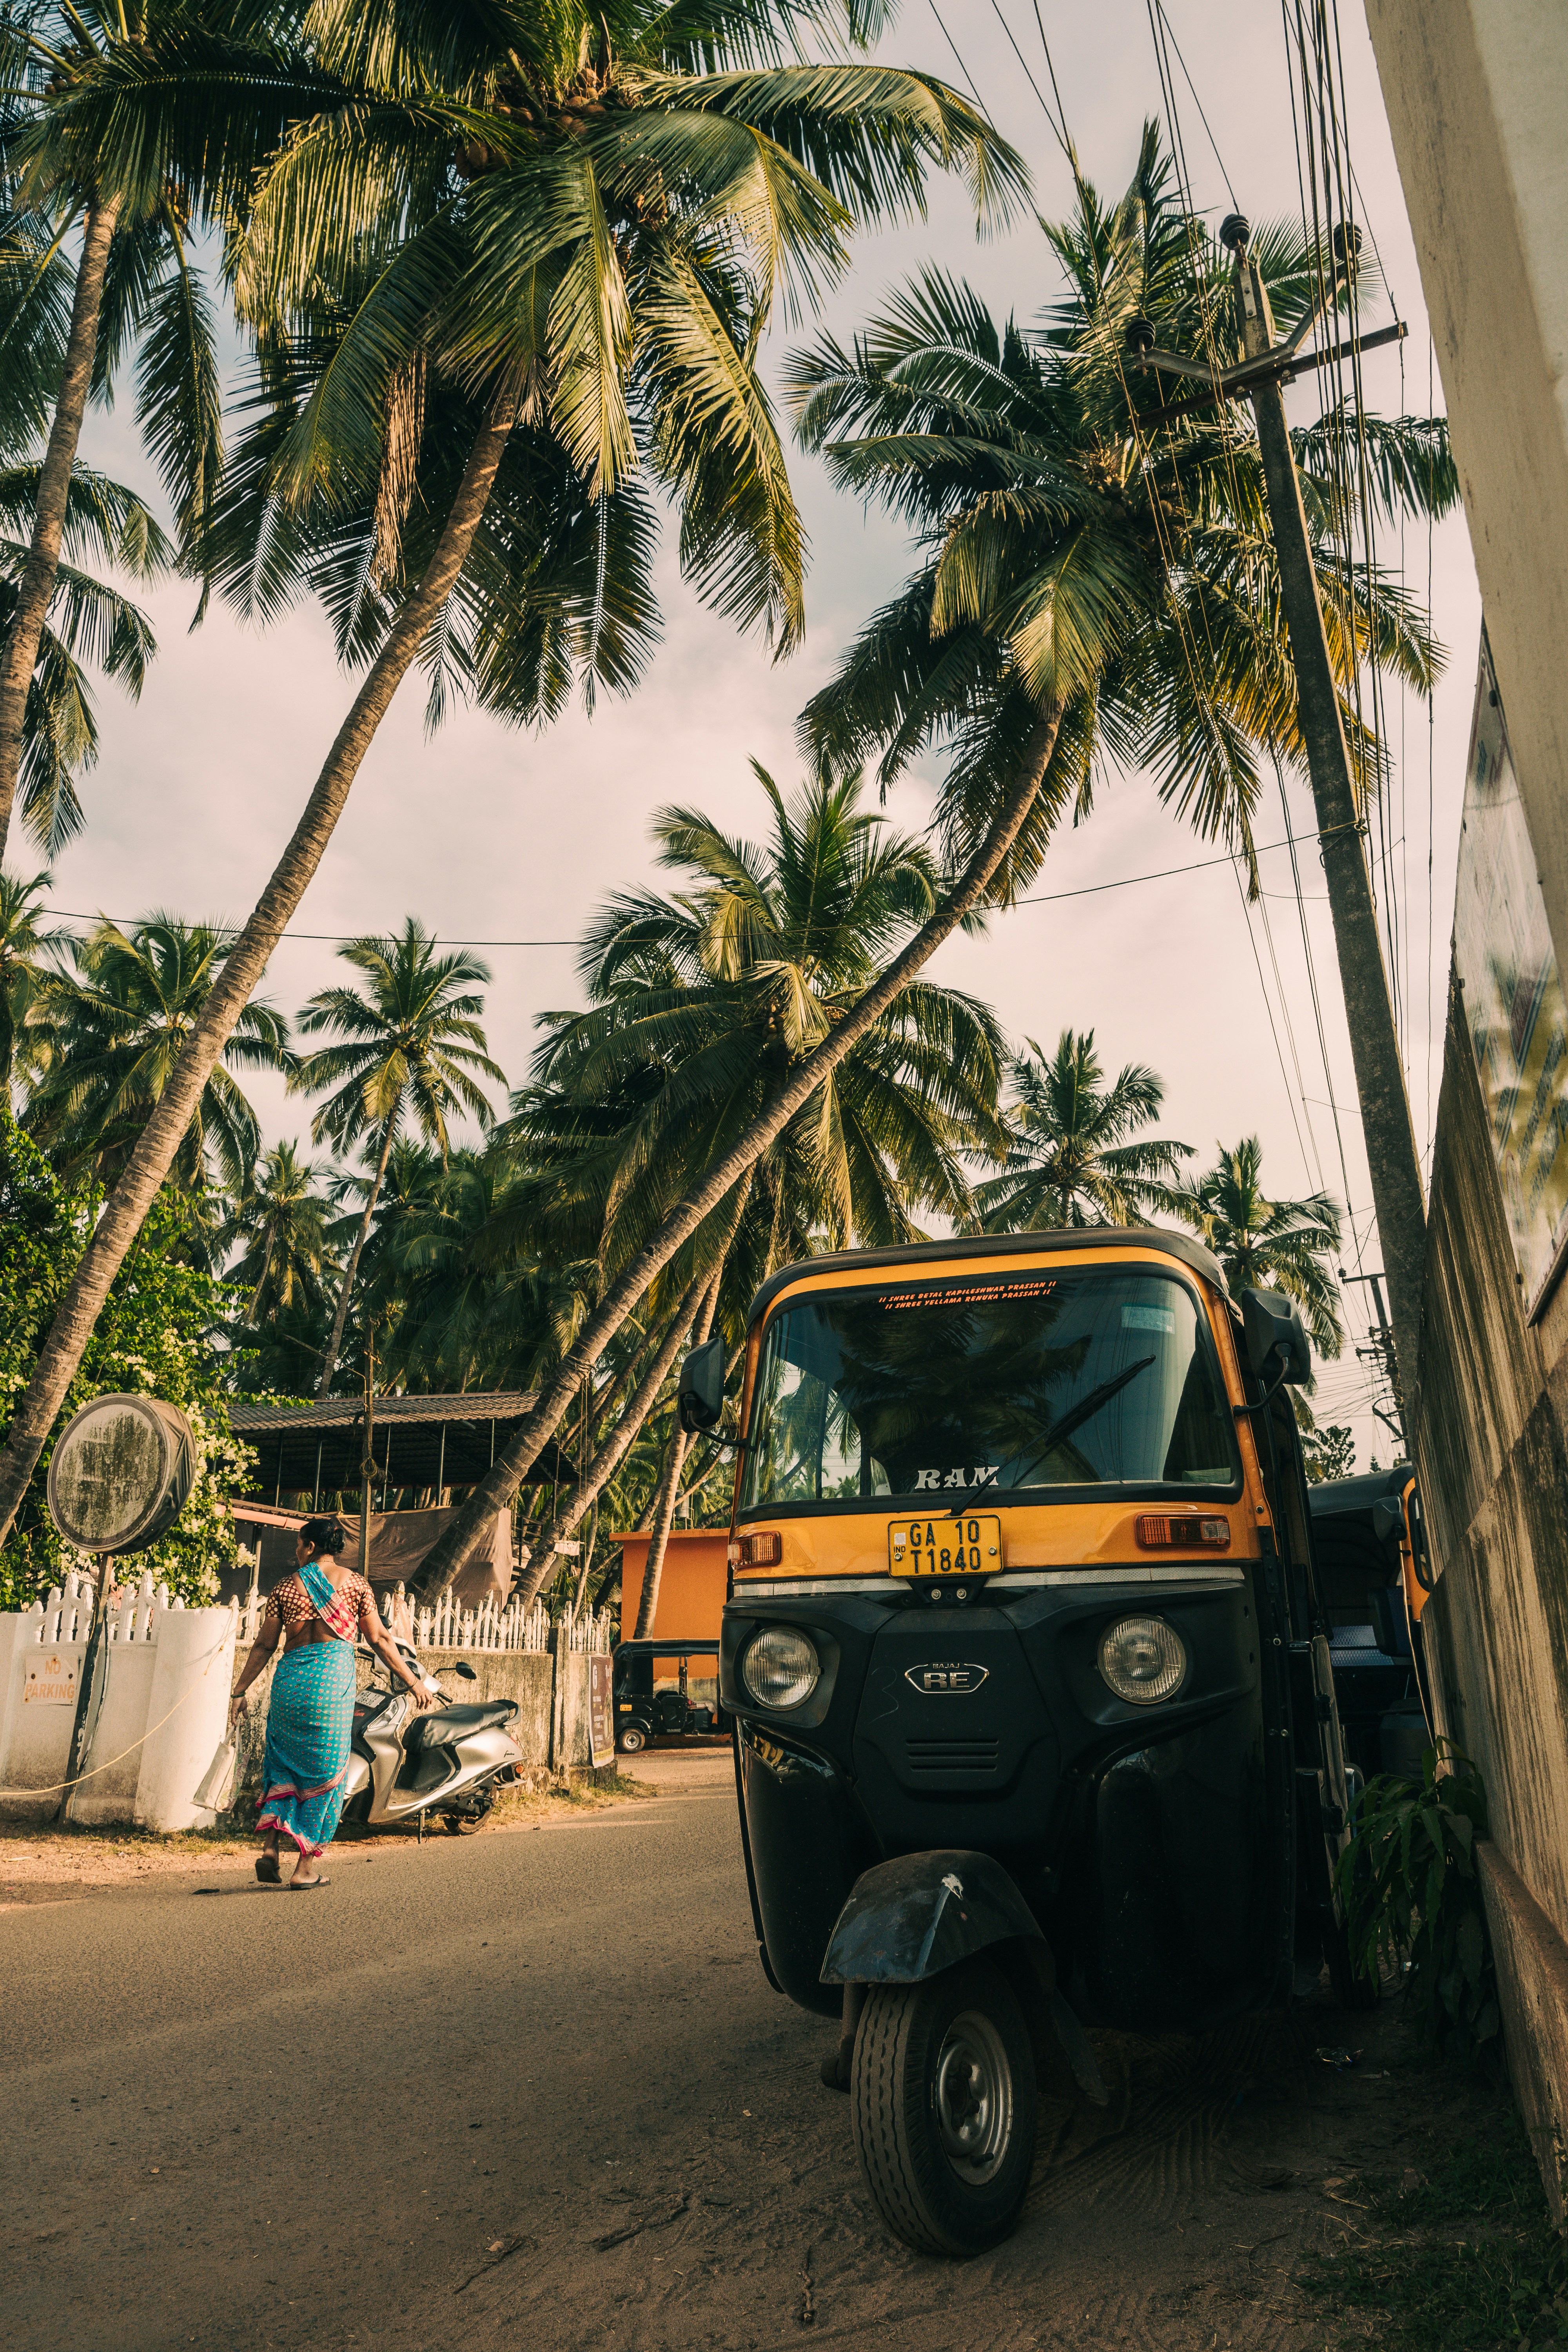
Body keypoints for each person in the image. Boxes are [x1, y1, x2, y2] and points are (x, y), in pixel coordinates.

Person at [229, 1515, 439, 1888]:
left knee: (283, 1767)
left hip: (290, 1687)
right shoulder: (356, 1585)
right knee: (326, 1774)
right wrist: (414, 1682)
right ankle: (305, 1868)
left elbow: (264, 1645)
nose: (296, 1550)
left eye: (299, 1544)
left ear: (311, 1546)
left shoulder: (285, 1588)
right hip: (330, 1690)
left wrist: (240, 1691)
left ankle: (271, 1848)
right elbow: (381, 1640)